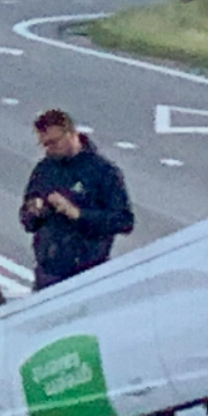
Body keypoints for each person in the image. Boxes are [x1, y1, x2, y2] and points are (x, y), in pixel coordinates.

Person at [19, 109, 134, 291]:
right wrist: (33, 211)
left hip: (88, 271)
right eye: (44, 144)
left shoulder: (103, 171)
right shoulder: (44, 170)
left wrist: (77, 214)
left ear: (72, 134)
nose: (49, 149)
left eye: (53, 143)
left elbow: (124, 221)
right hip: (49, 270)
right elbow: (27, 220)